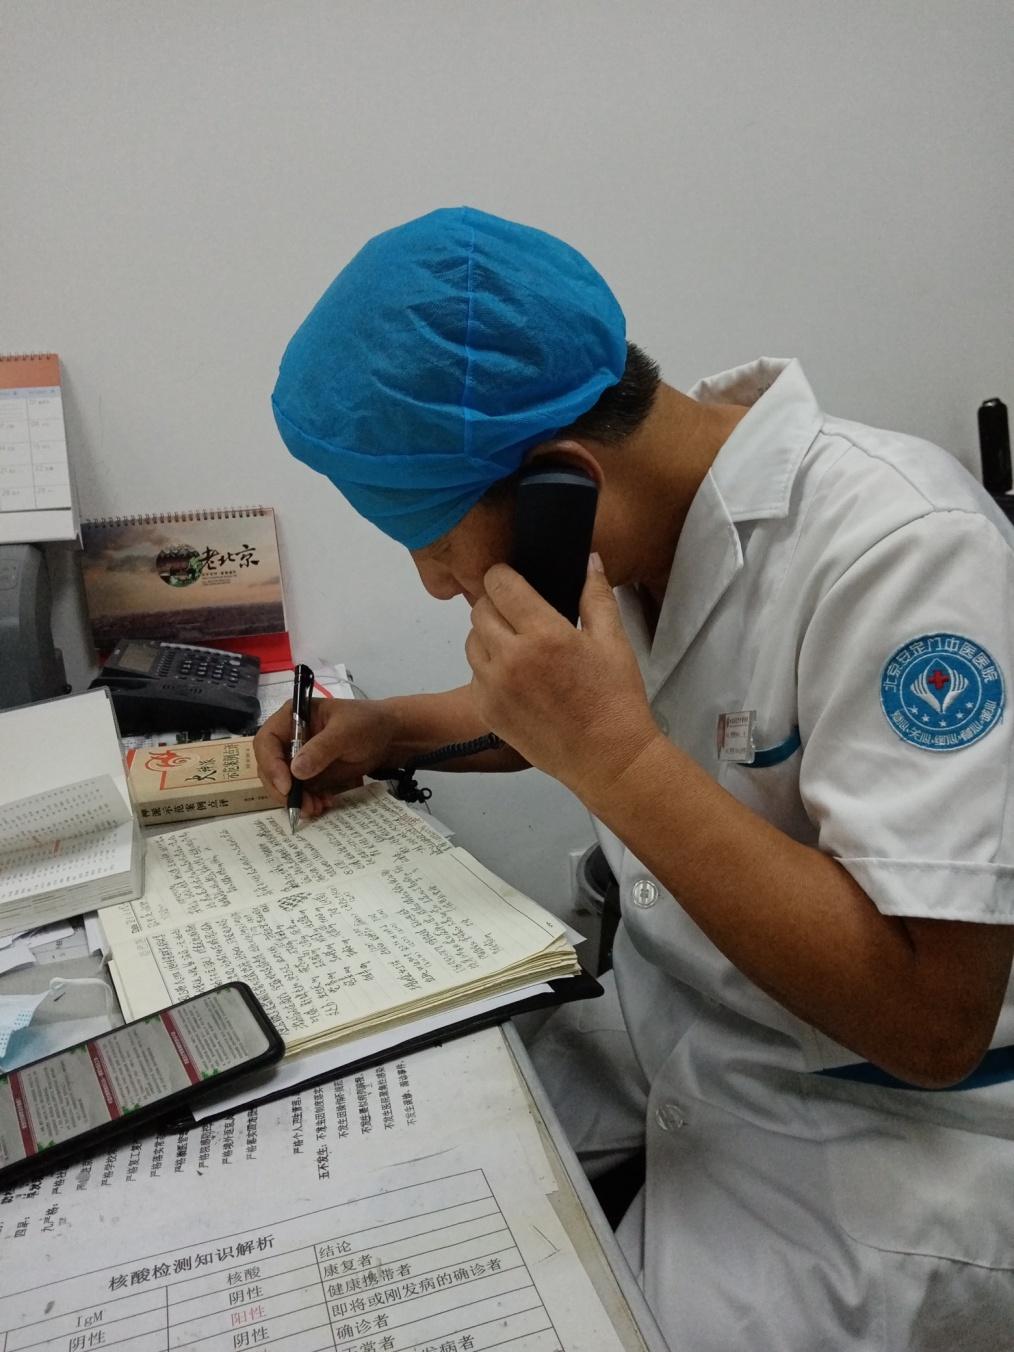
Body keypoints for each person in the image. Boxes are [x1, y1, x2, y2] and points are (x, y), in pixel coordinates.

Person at [255, 206, 1014, 1351]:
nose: (432, 581)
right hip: (672, 1044)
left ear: (561, 484)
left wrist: (620, 761)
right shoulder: (647, 531)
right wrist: (391, 727)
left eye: (433, 540)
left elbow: (935, 1020)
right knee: (359, 1196)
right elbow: (577, 710)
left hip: (887, 1133)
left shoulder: (905, 552)